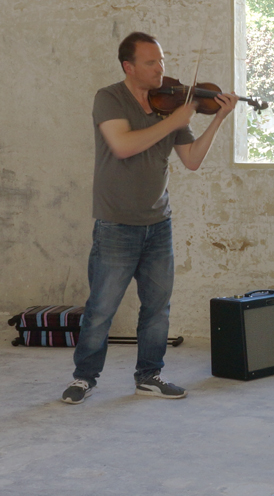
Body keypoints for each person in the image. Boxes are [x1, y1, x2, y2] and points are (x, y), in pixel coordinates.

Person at [61, 31, 238, 404]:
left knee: (157, 308)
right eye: (150, 62)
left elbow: (192, 160)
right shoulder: (110, 98)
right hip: (116, 223)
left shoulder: (171, 105)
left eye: (161, 61)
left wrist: (218, 119)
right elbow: (123, 145)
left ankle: (149, 375)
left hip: (158, 224)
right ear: (129, 67)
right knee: (101, 309)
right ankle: (84, 378)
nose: (160, 68)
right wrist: (174, 121)